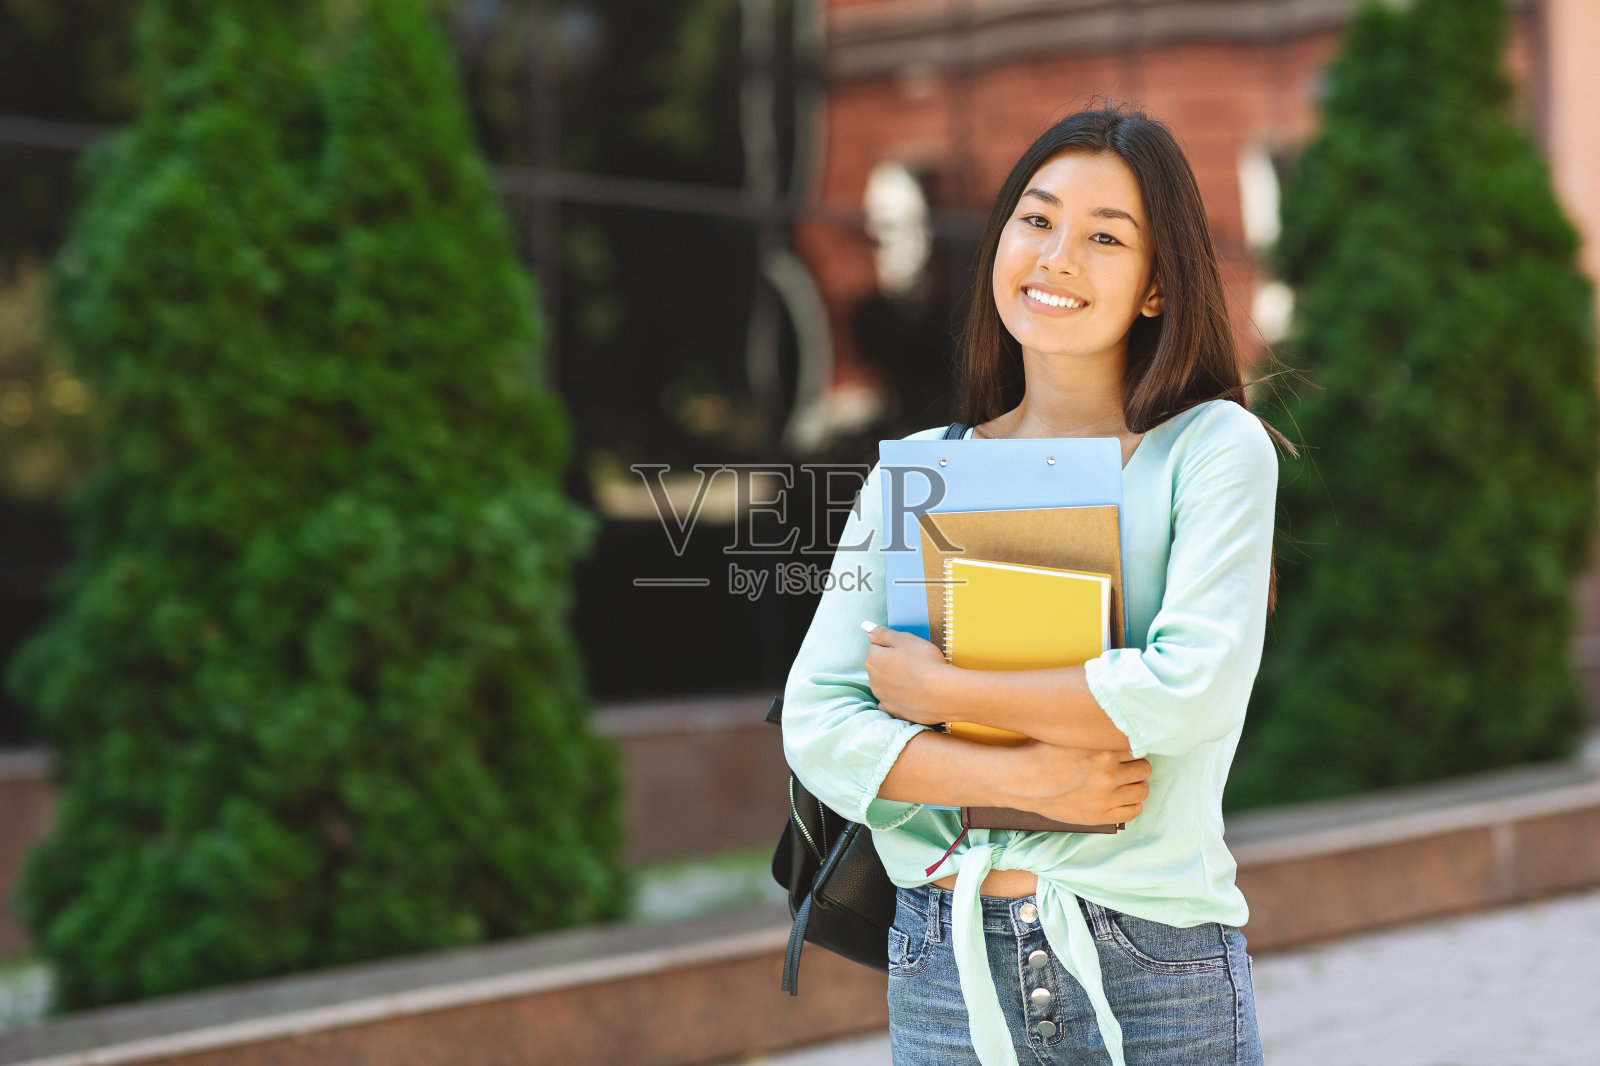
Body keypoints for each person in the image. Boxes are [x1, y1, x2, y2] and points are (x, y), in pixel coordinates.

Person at [780, 102, 1294, 1066]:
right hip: (943, 959)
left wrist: (945, 695)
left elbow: (1187, 690)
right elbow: (819, 723)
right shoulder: (918, 472)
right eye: (1037, 219)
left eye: (1106, 237)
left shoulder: (1210, 449)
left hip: (1153, 962)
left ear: (1155, 286)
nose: (1057, 256)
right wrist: (1026, 779)